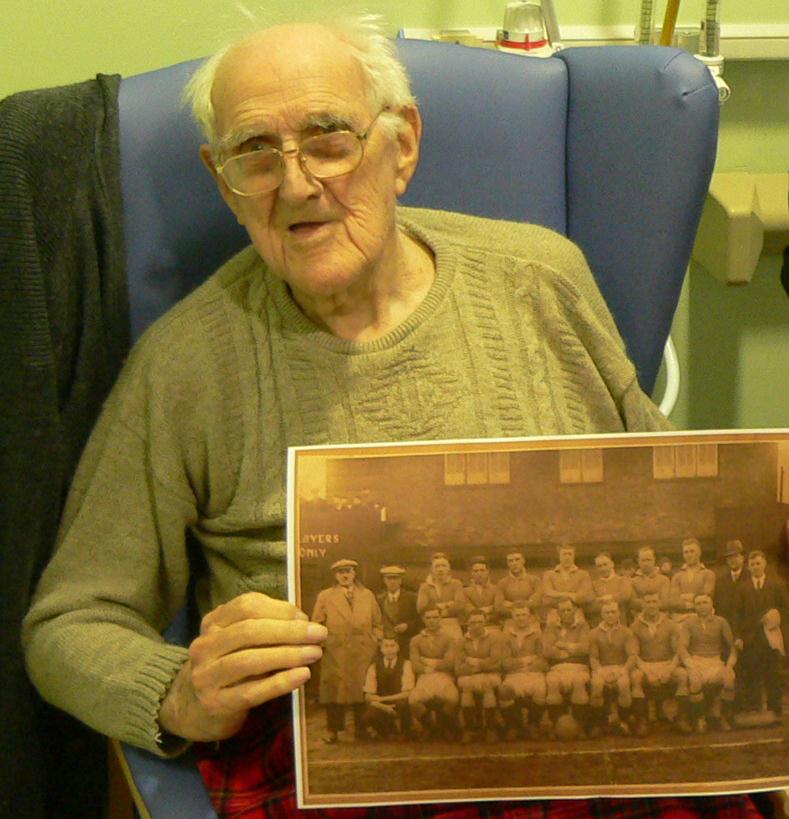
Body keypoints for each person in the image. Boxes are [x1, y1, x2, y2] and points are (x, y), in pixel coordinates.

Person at [26, 12, 753, 819]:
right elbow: (69, 622)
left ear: (400, 145)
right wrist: (178, 692)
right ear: (222, 180)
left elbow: (680, 502)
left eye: (328, 139)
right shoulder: (185, 363)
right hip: (345, 756)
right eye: (255, 153)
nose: (296, 185)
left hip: (592, 737)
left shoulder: (540, 280)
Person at [311, 558, 382, 743]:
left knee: (362, 690)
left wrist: (374, 640)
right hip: (336, 652)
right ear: (335, 576)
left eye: (348, 571)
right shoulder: (325, 596)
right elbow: (317, 622)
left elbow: (377, 622)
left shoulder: (367, 595)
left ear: (354, 573)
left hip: (362, 651)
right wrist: (325, 643)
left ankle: (362, 729)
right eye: (340, 572)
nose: (345, 575)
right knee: (334, 691)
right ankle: (333, 731)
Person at [733, 550, 789, 721]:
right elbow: (737, 614)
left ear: (764, 564)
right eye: (752, 564)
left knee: (773, 674)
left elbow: (785, 608)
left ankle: (775, 710)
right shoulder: (742, 588)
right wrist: (738, 637)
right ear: (748, 567)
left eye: (758, 563)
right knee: (752, 673)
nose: (755, 567)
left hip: (771, 638)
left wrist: (775, 615)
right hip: (751, 638)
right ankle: (755, 710)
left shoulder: (777, 584)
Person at [629, 590, 691, 735]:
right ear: (643, 604)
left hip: (667, 664)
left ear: (660, 603)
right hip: (645, 665)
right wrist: (647, 671)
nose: (651, 605)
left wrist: (669, 669)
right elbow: (634, 654)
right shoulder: (635, 626)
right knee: (636, 677)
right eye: (648, 602)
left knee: (682, 675)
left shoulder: (670, 624)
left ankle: (681, 719)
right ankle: (642, 721)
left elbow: (678, 652)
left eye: (654, 602)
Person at [679, 593, 737, 733]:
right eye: (698, 603)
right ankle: (700, 718)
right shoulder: (688, 623)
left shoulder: (721, 622)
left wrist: (730, 665)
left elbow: (732, 646)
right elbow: (682, 647)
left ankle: (722, 716)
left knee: (729, 678)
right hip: (696, 660)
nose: (702, 606)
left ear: (711, 604)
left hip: (715, 661)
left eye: (705, 602)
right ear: (694, 606)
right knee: (694, 680)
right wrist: (690, 663)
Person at [408, 607, 460, 741]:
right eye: (428, 618)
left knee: (452, 699)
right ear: (423, 619)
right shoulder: (415, 640)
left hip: (444, 676)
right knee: (413, 701)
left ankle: (443, 727)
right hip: (424, 677)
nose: (432, 621)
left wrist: (426, 661)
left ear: (440, 619)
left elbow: (449, 663)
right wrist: (434, 664)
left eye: (435, 617)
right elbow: (415, 665)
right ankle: (430, 728)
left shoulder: (449, 639)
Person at [498, 601, 547, 739]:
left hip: (534, 673)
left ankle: (533, 724)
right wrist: (526, 660)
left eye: (524, 615)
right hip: (514, 674)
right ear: (512, 617)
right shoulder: (506, 636)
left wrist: (529, 665)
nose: (521, 618)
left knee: (540, 689)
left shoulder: (538, 635)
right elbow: (505, 663)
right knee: (504, 690)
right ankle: (513, 726)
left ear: (529, 616)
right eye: (517, 615)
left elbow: (543, 661)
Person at [588, 601, 637, 736]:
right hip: (602, 668)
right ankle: (599, 723)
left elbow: (632, 656)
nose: (610, 615)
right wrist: (600, 672)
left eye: (613, 612)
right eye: (607, 612)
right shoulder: (594, 633)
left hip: (620, 667)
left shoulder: (627, 632)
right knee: (596, 685)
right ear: (602, 614)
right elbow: (593, 658)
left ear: (619, 613)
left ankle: (624, 721)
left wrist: (623, 671)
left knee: (624, 684)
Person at [543, 598, 591, 734]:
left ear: (574, 610)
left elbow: (585, 648)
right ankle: (556, 726)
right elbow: (547, 651)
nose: (566, 613)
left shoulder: (583, 626)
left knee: (579, 683)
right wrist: (570, 651)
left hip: (579, 666)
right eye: (562, 611)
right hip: (557, 667)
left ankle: (580, 726)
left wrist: (563, 645)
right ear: (558, 613)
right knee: (552, 683)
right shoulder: (551, 627)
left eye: (568, 610)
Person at [456, 608, 503, 742]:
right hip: (469, 675)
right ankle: (470, 729)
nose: (476, 625)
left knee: (487, 684)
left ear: (485, 622)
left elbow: (497, 663)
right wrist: (483, 664)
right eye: (473, 622)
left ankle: (490, 728)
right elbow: (458, 668)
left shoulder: (494, 639)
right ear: (467, 623)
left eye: (479, 622)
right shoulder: (461, 641)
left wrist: (474, 662)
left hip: (491, 674)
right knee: (466, 685)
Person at [363, 634, 415, 740]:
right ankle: (385, 731)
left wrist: (383, 699)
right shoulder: (374, 666)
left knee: (405, 704)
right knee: (369, 715)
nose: (389, 650)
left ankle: (405, 731)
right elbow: (368, 695)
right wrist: (384, 706)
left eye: (392, 646)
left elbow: (408, 693)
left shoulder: (406, 664)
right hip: (382, 705)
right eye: (386, 646)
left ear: (398, 648)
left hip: (399, 702)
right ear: (381, 649)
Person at [416, 552, 465, 642]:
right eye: (437, 566)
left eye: (443, 566)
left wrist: (434, 607)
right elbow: (421, 608)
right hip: (432, 625)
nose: (440, 569)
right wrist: (446, 605)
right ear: (432, 569)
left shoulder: (456, 584)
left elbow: (460, 605)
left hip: (451, 624)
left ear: (448, 569)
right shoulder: (425, 587)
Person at [541, 544, 593, 624]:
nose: (567, 557)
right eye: (564, 554)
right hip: (555, 611)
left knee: (580, 624)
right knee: (551, 624)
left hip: (576, 611)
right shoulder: (549, 574)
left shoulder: (583, 574)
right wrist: (571, 595)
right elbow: (547, 593)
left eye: (570, 554)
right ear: (559, 556)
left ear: (574, 556)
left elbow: (584, 596)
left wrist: (557, 595)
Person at [376, 564, 420, 653]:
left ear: (400, 580)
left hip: (406, 643)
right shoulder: (378, 599)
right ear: (384, 580)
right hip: (386, 645)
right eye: (389, 578)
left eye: (395, 578)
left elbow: (419, 620)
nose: (392, 582)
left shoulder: (412, 598)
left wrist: (407, 626)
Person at [670, 538, 716, 621]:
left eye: (692, 551)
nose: (689, 555)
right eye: (686, 552)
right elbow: (674, 600)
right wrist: (694, 599)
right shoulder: (677, 576)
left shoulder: (708, 574)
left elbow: (706, 597)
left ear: (699, 553)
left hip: (702, 618)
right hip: (680, 618)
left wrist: (683, 597)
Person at [495, 550, 542, 625]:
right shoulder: (502, 583)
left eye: (517, 559)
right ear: (507, 564)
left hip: (531, 619)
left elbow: (536, 602)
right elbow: (499, 606)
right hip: (510, 620)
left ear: (523, 561)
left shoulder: (534, 580)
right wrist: (527, 603)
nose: (514, 563)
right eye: (511, 561)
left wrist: (511, 604)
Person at [588, 551, 632, 626]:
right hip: (600, 625)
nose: (603, 568)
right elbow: (591, 605)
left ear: (612, 564)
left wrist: (607, 598)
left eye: (605, 564)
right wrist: (612, 601)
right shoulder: (593, 584)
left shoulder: (623, 580)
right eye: (599, 566)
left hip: (620, 624)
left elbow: (625, 595)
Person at [714, 540, 750, 629]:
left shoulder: (751, 577)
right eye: (729, 557)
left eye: (736, 556)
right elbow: (718, 606)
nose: (732, 560)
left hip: (748, 626)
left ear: (743, 558)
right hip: (727, 626)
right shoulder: (721, 581)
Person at [631, 546, 671, 614]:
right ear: (638, 561)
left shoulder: (664, 580)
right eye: (643, 560)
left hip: (661, 616)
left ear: (654, 560)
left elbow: (665, 602)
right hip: (639, 616)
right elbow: (633, 602)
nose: (645, 563)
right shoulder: (633, 581)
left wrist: (647, 604)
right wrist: (652, 603)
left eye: (648, 560)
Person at [462, 556, 499, 629]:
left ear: (487, 572)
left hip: (492, 625)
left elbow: (497, 609)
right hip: (473, 626)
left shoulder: (496, 589)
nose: (479, 574)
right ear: (472, 573)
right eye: (476, 571)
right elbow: (468, 609)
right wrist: (488, 609)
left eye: (482, 570)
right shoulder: (465, 591)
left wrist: (490, 613)